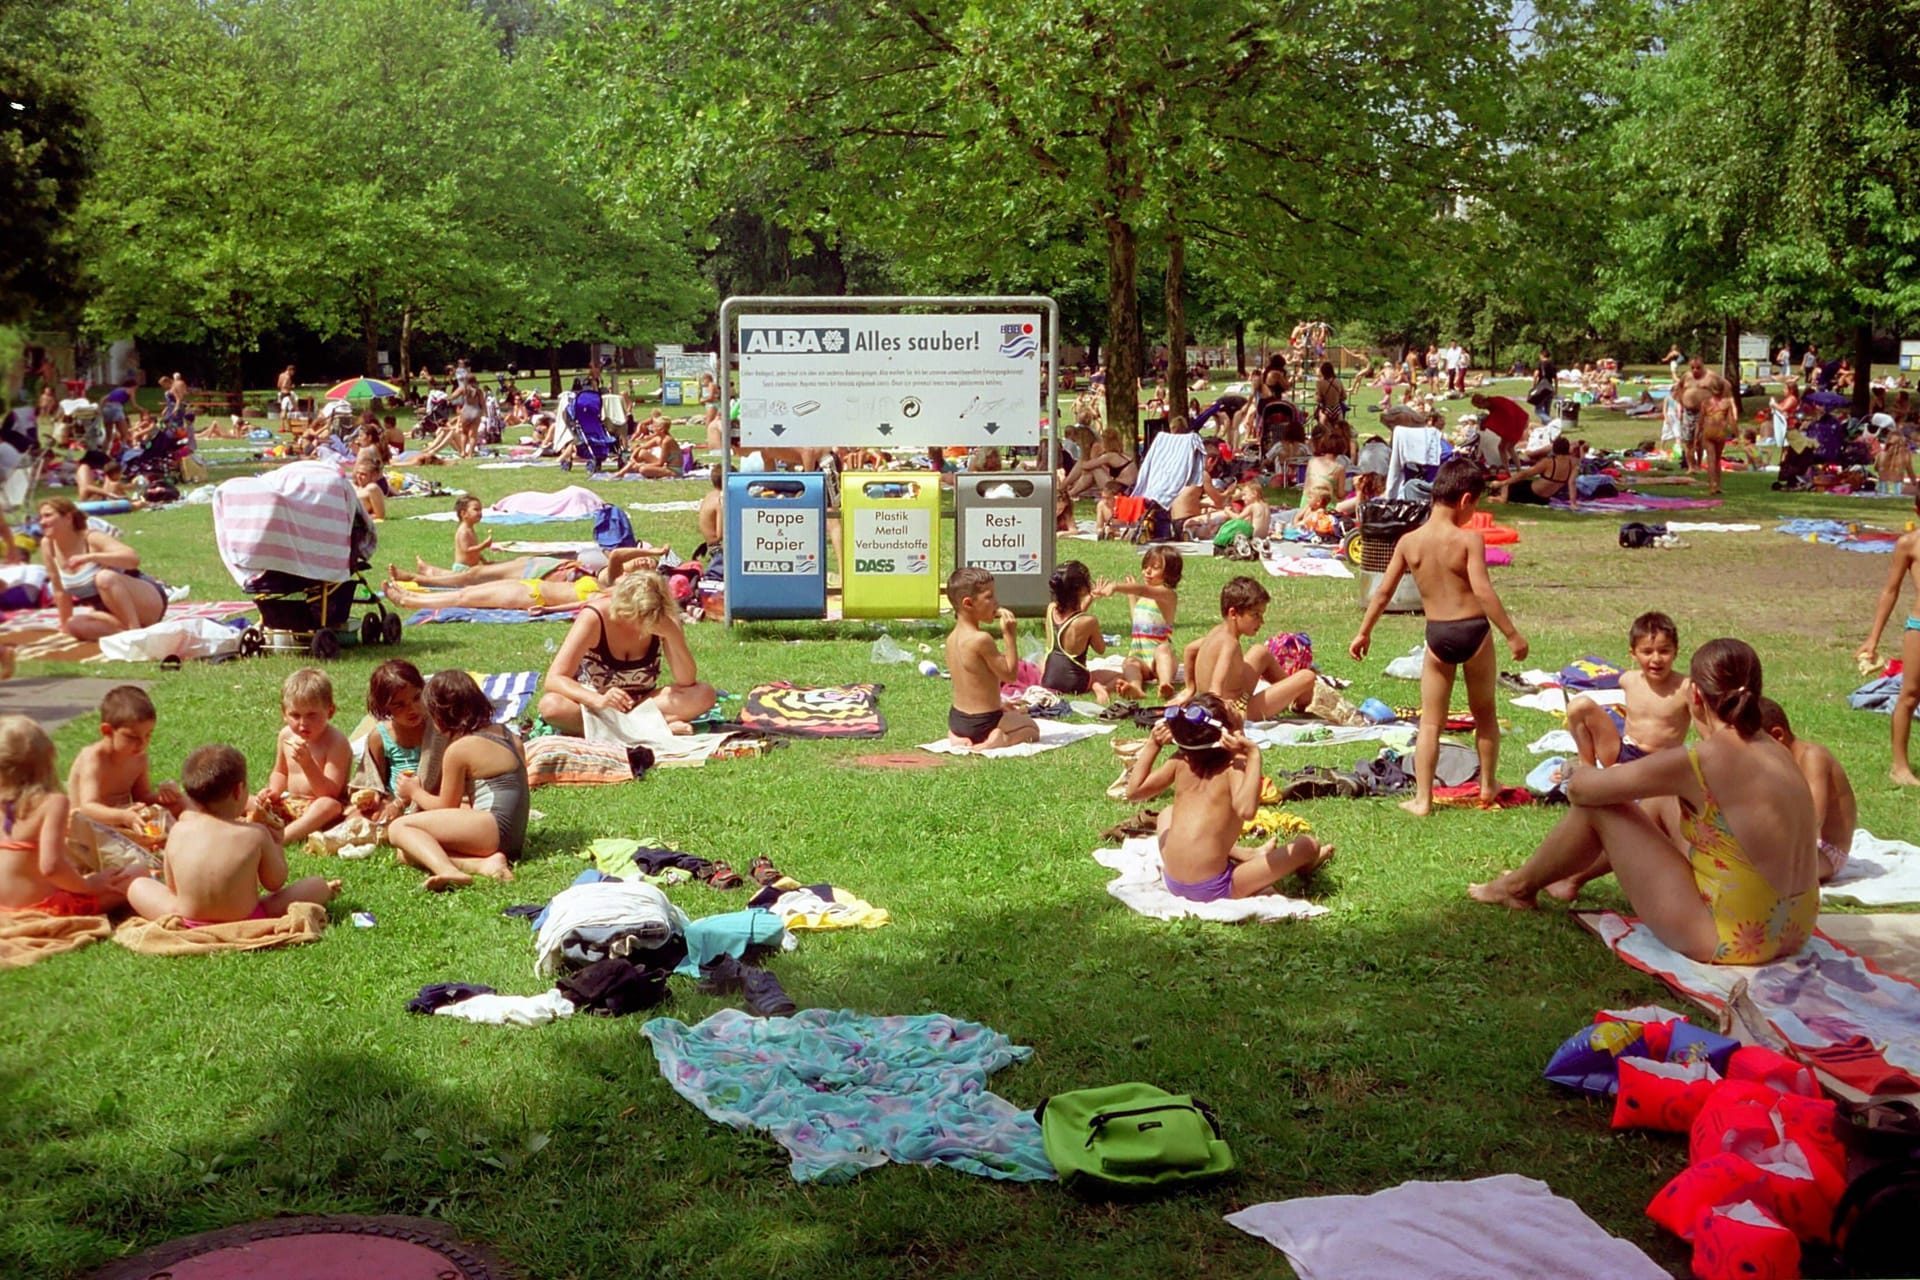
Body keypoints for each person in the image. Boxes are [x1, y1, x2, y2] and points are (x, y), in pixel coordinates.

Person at [1469, 640, 1818, 966]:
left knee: (1601, 806)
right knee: (1661, 796)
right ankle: (1569, 879)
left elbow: (1584, 793)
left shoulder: (1701, 760)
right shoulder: (1775, 749)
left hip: (1730, 940)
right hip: (1794, 927)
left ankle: (1518, 887)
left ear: (1694, 695)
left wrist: (1582, 769)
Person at [1350, 458, 1527, 814]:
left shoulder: (1409, 541)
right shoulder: (1468, 540)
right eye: (1474, 506)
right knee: (1485, 713)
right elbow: (1483, 590)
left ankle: (1423, 799)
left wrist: (1363, 632)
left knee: (1431, 722)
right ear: (1465, 500)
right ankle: (1488, 785)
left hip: (1439, 634)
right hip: (1474, 631)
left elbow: (1382, 592)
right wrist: (1511, 634)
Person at [1121, 694, 1333, 901]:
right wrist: (1253, 755)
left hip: (1173, 880)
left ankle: (1247, 854)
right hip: (1214, 887)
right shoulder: (1235, 765)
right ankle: (1306, 865)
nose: (1233, 705)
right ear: (1227, 731)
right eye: (1229, 708)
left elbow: (1133, 791)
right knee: (1308, 846)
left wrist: (1153, 744)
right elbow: (1246, 811)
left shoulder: (1180, 760)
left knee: (1167, 813)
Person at [129, 744, 340, 924]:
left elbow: (173, 888)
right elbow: (275, 882)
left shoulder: (177, 830)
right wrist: (276, 843)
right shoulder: (256, 834)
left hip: (188, 919)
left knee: (137, 886)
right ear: (239, 790)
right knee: (316, 885)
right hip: (247, 918)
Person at [388, 671, 526, 891]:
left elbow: (445, 805)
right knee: (410, 850)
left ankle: (448, 870)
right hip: (515, 837)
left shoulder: (459, 750)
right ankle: (484, 864)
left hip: (493, 829)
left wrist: (413, 791)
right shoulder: (508, 735)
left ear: (441, 715)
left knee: (399, 828)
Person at [536, 570, 716, 735]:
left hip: (642, 704)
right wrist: (597, 700)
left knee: (704, 694)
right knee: (551, 706)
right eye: (637, 616)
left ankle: (619, 731)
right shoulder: (595, 617)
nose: (642, 624)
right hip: (595, 705)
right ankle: (650, 729)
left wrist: (672, 634)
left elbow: (686, 680)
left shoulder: (662, 619)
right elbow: (555, 679)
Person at [0, 717, 137, 914]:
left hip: (3, 907)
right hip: (42, 908)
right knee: (135, 874)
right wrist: (87, 885)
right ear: (46, 761)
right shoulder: (52, 803)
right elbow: (51, 867)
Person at [1183, 576, 1324, 725]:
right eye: (1255, 615)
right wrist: (1220, 717)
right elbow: (1215, 690)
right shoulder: (1230, 645)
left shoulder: (1218, 632)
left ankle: (1293, 693)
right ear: (1233, 613)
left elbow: (1190, 650)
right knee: (1307, 676)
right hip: (1238, 710)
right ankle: (1300, 702)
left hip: (1230, 696)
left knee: (1260, 652)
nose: (1261, 621)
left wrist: (1189, 689)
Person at [1854, 494, 1920, 784]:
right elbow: (1890, 591)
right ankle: (1899, 766)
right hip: (1919, 627)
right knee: (1909, 695)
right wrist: (1873, 638)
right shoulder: (1909, 544)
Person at [1566, 612, 1688, 769]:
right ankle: (1587, 769)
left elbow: (1709, 729)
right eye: (1647, 652)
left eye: (1664, 651)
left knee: (1618, 773)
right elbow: (1599, 682)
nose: (1656, 659)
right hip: (1623, 752)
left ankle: (1616, 780)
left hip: (1661, 764)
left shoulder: (1685, 688)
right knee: (1578, 705)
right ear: (1634, 654)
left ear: (1675, 652)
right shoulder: (1628, 679)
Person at [38, 497, 169, 640]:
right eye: (41, 517)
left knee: (104, 577)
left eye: (48, 516)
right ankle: (124, 634)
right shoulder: (48, 545)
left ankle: (135, 632)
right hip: (109, 611)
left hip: (143, 599)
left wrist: (90, 557)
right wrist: (65, 628)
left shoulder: (91, 537)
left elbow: (132, 559)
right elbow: (60, 591)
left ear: (68, 517)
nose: (42, 522)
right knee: (74, 624)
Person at [67, 686, 184, 843]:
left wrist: (165, 797)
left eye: (148, 735)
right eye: (132, 737)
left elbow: (142, 796)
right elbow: (88, 808)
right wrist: (122, 816)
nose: (142, 743)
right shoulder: (93, 759)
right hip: (89, 830)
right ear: (107, 731)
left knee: (183, 803)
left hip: (125, 822)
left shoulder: (139, 758)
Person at [1757, 698, 1854, 884]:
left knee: (1765, 875)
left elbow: (1813, 819)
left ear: (1777, 735)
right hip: (1801, 846)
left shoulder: (1812, 757)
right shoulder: (1782, 762)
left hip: (1827, 852)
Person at [942, 567, 1038, 751]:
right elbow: (1010, 675)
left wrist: (1000, 704)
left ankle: (957, 737)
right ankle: (998, 740)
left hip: (957, 719)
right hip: (985, 721)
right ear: (968, 604)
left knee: (1009, 715)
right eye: (989, 597)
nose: (996, 602)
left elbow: (973, 683)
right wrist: (1009, 636)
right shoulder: (981, 639)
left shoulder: (951, 638)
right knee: (1031, 728)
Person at [254, 668, 351, 845]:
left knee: (328, 806)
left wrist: (308, 764)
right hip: (290, 802)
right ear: (284, 713)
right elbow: (280, 772)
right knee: (248, 800)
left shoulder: (335, 742)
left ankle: (282, 838)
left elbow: (330, 792)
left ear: (330, 712)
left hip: (319, 809)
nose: (303, 723)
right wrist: (273, 791)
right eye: (295, 715)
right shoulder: (285, 736)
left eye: (312, 715)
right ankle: (248, 826)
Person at [1096, 546, 1182, 700]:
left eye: (1155, 568)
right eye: (1145, 566)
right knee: (1130, 662)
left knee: (1164, 649)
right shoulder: (1145, 597)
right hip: (1142, 657)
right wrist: (1131, 594)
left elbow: (1143, 590)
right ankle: (1135, 688)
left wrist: (1116, 586)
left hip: (1159, 659)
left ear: (1170, 573)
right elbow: (1138, 616)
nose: (1147, 571)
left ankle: (1165, 684)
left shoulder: (1167, 595)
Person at [1040, 561, 1118, 701]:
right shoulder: (1089, 621)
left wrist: (1091, 597)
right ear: (1082, 589)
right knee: (1119, 675)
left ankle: (1095, 684)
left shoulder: (1051, 609)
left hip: (1048, 678)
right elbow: (1101, 649)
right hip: (1076, 682)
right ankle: (1099, 687)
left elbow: (1071, 619)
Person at [364, 659, 427, 820]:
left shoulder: (437, 728)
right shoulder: (380, 737)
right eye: (400, 705)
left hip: (433, 800)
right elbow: (377, 782)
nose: (412, 709)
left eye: (416, 698)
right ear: (385, 707)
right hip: (397, 804)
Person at [1674, 355, 1740, 476]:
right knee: (1688, 440)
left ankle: (1698, 464)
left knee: (1699, 440)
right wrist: (1680, 404)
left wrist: (1727, 401)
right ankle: (1691, 466)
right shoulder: (1686, 376)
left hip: (1703, 412)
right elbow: (1679, 388)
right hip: (1688, 412)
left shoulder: (1711, 376)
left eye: (1698, 368)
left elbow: (1726, 385)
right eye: (1692, 368)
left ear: (1703, 366)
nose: (1695, 370)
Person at [1492, 436, 1578, 505]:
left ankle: (1502, 498)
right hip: (1544, 500)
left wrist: (1502, 483)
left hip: (1531, 493)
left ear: (1554, 449)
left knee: (1507, 485)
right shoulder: (1573, 464)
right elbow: (1572, 483)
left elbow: (1525, 474)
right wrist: (1573, 503)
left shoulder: (1548, 462)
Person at [1064, 428, 1137, 499]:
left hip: (1123, 489)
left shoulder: (1110, 456)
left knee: (1094, 469)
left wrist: (1086, 452)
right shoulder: (1123, 455)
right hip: (1127, 487)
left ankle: (1069, 492)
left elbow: (1085, 466)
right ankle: (1069, 491)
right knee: (1091, 470)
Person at [1468, 392, 1527, 467]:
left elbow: (1498, 418)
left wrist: (1485, 425)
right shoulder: (1493, 403)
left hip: (1517, 422)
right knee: (1504, 447)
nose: (1481, 409)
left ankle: (1512, 468)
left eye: (1479, 407)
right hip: (1516, 421)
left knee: (1507, 447)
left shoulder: (1495, 403)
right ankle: (1512, 468)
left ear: (1481, 403)